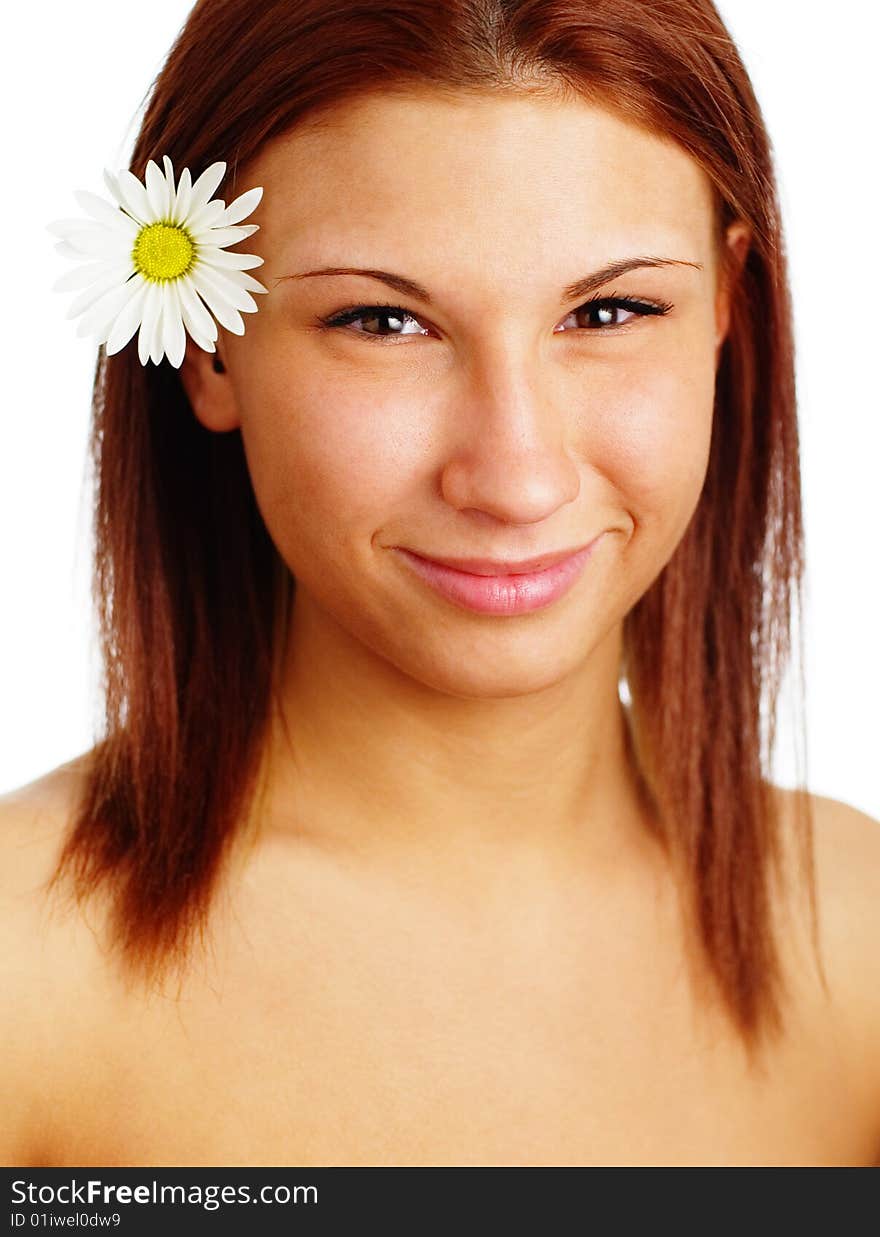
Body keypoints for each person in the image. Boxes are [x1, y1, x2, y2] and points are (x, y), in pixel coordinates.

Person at [2, 0, 878, 1167]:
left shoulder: (855, 937)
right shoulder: (31, 971)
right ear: (212, 344)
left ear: (726, 306)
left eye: (609, 311)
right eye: (383, 320)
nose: (514, 477)